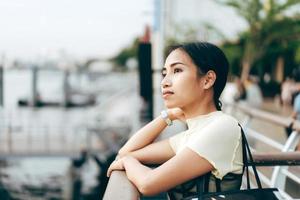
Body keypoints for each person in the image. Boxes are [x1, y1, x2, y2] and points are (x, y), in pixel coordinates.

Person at [106, 42, 243, 197]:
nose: (164, 82)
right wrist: (168, 115)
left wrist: (128, 163)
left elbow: (147, 183)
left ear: (207, 80)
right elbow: (126, 152)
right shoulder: (192, 135)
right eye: (165, 73)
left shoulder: (223, 126)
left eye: (177, 70)